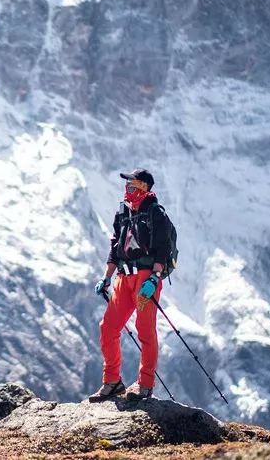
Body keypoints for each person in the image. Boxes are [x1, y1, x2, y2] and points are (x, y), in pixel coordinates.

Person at [89, 168, 170, 402]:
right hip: (123, 278)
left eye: (133, 183)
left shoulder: (156, 214)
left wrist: (155, 278)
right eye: (128, 184)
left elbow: (162, 249)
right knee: (108, 328)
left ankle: (145, 384)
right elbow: (115, 245)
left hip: (145, 278)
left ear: (145, 187)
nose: (128, 187)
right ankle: (112, 381)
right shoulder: (123, 211)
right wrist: (107, 277)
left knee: (145, 332)